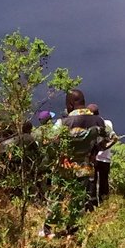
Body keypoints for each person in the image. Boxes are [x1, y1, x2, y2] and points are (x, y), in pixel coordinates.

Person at [42, 88, 105, 237]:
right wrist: (93, 153)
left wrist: (58, 157)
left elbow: (49, 142)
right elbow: (108, 140)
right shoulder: (98, 120)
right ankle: (73, 228)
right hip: (84, 167)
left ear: (70, 104)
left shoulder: (63, 123)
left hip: (64, 167)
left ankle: (49, 229)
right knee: (79, 197)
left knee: (57, 197)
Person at [87, 103, 119, 206]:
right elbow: (114, 138)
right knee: (104, 181)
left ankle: (92, 203)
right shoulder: (107, 123)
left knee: (92, 182)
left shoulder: (91, 126)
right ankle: (104, 202)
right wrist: (108, 145)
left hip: (94, 158)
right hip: (105, 158)